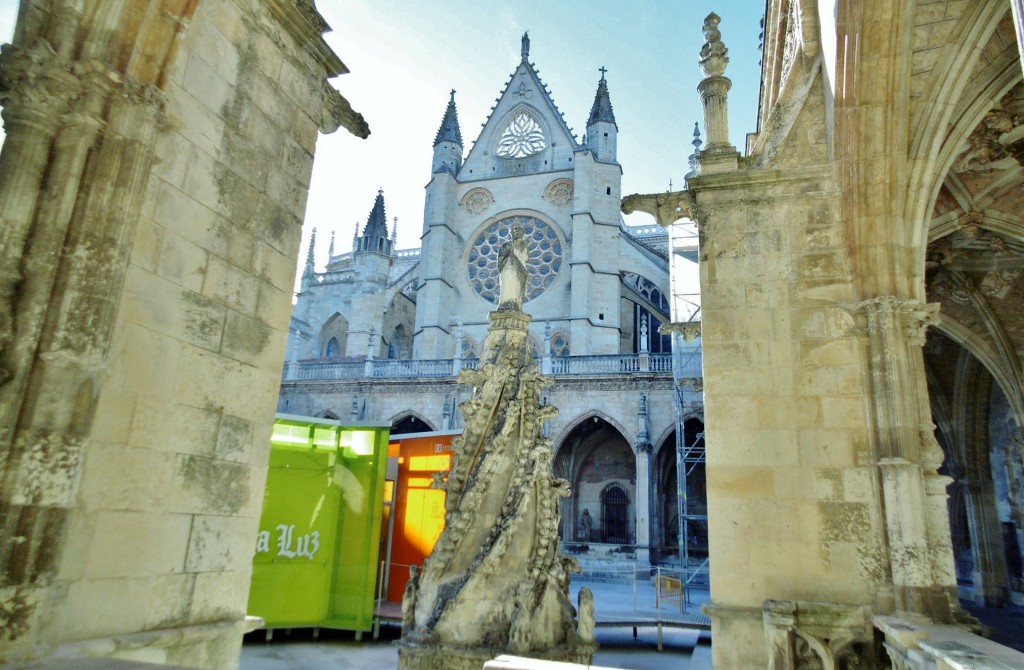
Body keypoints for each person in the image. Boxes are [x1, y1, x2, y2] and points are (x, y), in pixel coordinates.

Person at [497, 225, 529, 309]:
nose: (518, 235)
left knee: (517, 288)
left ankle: (516, 303)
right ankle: (505, 304)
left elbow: (525, 258)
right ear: (512, 235)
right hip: (508, 269)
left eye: (520, 234)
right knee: (508, 286)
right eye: (516, 233)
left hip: (520, 272)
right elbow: (501, 260)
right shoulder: (507, 245)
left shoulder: (524, 247)